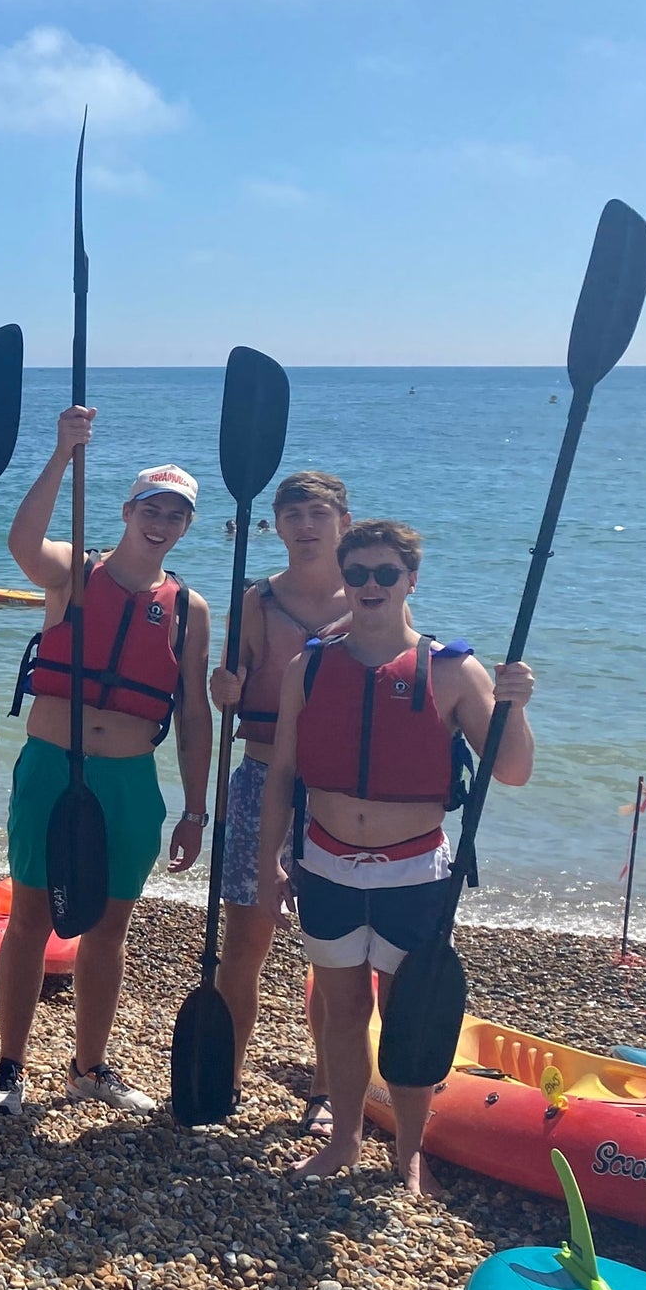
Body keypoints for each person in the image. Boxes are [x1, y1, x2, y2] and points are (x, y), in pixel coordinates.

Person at [255, 520, 535, 1189]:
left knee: (409, 1015)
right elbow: (284, 773)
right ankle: (344, 1142)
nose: (371, 586)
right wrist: (270, 860)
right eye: (358, 574)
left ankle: (410, 1150)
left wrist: (515, 707)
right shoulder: (311, 665)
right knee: (343, 1011)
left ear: (411, 580)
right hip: (324, 865)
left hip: (415, 873)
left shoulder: (451, 671)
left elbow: (514, 771)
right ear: (344, 580)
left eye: (386, 574)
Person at [0, 415, 212, 1117]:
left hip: (130, 781)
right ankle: (10, 1068)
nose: (162, 523)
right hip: (55, 767)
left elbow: (197, 713)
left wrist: (197, 808)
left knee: (108, 929)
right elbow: (21, 541)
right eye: (152, 509)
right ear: (128, 512)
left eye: (175, 515)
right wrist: (62, 452)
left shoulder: (188, 608)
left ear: (184, 527)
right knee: (29, 920)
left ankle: (88, 1067)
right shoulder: (73, 573)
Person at [206, 470, 351, 1131]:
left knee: (333, 951)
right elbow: (228, 687)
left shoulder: (372, 598)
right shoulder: (258, 602)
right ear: (278, 524)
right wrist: (224, 686)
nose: (305, 527)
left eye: (318, 514)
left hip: (340, 795)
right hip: (262, 780)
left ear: (342, 523)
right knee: (246, 945)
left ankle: (324, 1090)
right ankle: (226, 1076)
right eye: (293, 515)